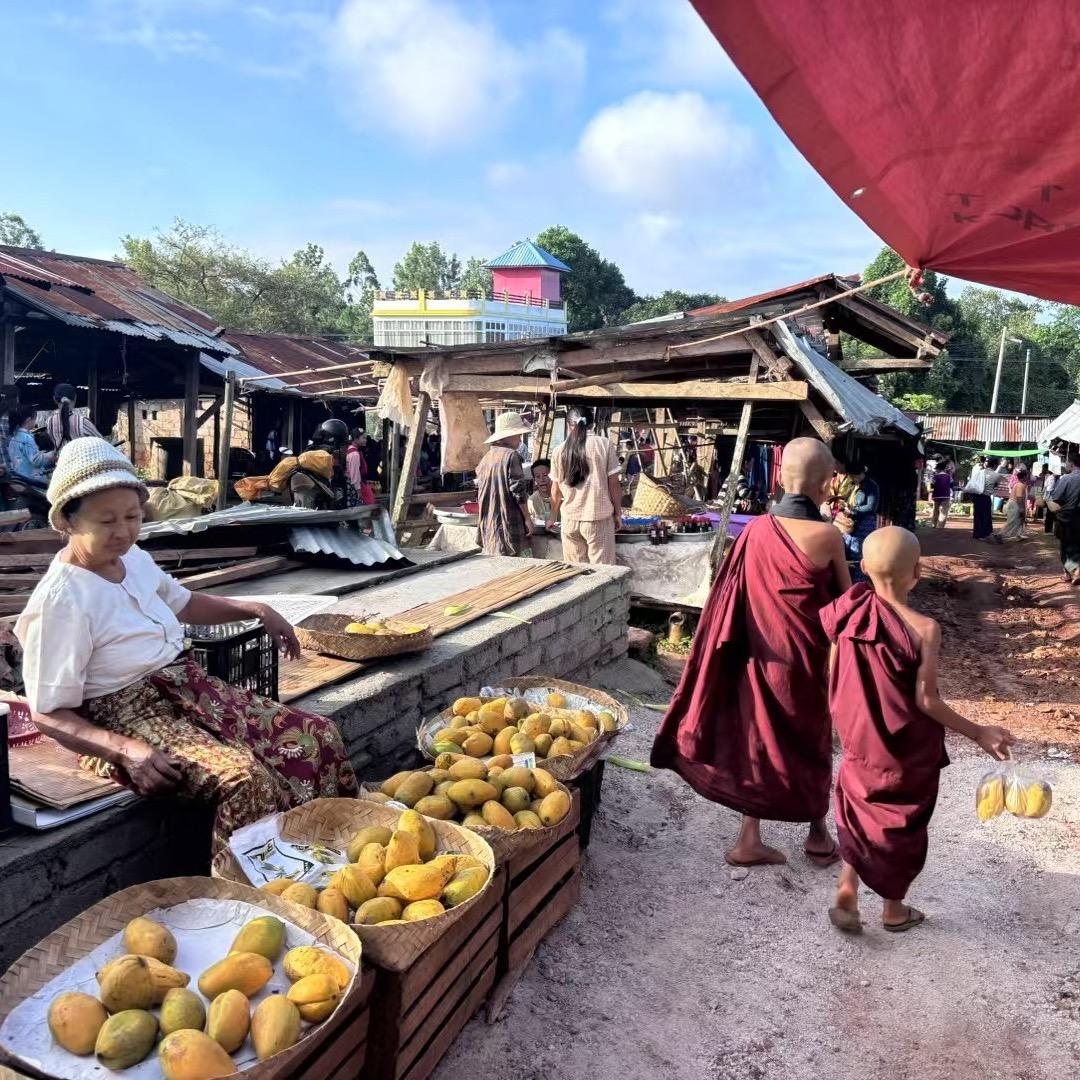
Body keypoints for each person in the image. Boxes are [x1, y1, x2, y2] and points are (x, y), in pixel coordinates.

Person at [14, 438, 358, 852]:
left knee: (316, 734)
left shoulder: (133, 558)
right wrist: (126, 752)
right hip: (125, 718)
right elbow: (50, 715)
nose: (123, 532)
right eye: (107, 522)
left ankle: (326, 849)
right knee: (246, 780)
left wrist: (257, 607)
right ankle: (256, 888)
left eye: (132, 517)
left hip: (189, 691)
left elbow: (185, 603)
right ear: (67, 521)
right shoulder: (61, 602)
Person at [651, 438, 851, 867]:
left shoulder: (756, 530)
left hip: (759, 658)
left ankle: (749, 836)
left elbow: (728, 598)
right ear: (825, 487)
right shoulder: (827, 536)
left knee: (759, 741)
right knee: (810, 742)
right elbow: (845, 603)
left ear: (779, 477)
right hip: (806, 664)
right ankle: (818, 835)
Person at [821, 528, 1014, 934]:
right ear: (917, 573)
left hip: (860, 736)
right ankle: (893, 909)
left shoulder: (845, 611)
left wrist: (844, 723)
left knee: (857, 811)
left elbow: (833, 673)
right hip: (907, 745)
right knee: (902, 822)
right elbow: (927, 700)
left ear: (865, 570)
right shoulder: (924, 629)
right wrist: (979, 731)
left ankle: (846, 890)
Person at [546, 408, 621, 566]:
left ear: (569, 426)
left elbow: (555, 490)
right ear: (592, 424)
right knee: (603, 573)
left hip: (570, 521)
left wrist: (553, 516)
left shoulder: (559, 451)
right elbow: (614, 484)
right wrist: (618, 514)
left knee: (576, 572)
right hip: (597, 519)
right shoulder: (604, 445)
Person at [475, 411, 533, 557]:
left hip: (489, 521)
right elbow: (518, 491)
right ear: (509, 436)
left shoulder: (487, 457)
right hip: (508, 520)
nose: (520, 439)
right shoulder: (511, 456)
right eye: (518, 435)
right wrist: (527, 518)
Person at [1046, 451, 1080, 585]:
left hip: (1067, 518)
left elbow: (1057, 498)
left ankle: (1069, 573)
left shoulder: (1066, 478)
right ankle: (1075, 571)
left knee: (1065, 546)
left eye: (1066, 462)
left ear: (1071, 464)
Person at [45, 383, 103, 452]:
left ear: (54, 399)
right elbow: (101, 442)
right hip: (80, 461)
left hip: (60, 461)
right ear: (75, 398)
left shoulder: (49, 422)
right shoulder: (82, 422)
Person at [8, 405, 56, 483]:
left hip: (20, 476)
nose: (35, 422)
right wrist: (50, 456)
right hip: (32, 478)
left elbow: (22, 455)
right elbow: (36, 461)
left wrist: (41, 453)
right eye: (35, 419)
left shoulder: (14, 437)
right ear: (28, 420)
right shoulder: (26, 438)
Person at [994, 466, 1028, 542]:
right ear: (1024, 477)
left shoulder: (1018, 484)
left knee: (1018, 520)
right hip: (1015, 504)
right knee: (1012, 521)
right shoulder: (1020, 485)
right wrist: (1021, 508)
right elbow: (1019, 497)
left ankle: (1017, 535)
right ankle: (1000, 535)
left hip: (1013, 503)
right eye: (1026, 476)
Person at [967, 456, 997, 540]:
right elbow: (994, 486)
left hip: (976, 496)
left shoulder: (980, 472)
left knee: (978, 515)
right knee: (986, 515)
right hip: (985, 496)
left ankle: (978, 534)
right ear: (995, 465)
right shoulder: (994, 475)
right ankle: (985, 533)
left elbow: (972, 483)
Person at [345, 429, 375, 506]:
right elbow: (354, 475)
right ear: (355, 439)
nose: (365, 440)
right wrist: (358, 491)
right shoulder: (354, 454)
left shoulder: (353, 451)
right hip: (355, 486)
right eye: (363, 438)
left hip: (358, 483)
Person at [528, 458, 553, 522]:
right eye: (538, 476)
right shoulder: (531, 501)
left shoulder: (563, 498)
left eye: (545, 475)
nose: (542, 480)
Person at [930, 460, 953, 528]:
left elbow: (932, 485)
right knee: (944, 511)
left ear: (938, 468)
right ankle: (941, 526)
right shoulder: (949, 477)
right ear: (944, 468)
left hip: (936, 495)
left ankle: (934, 524)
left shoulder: (935, 476)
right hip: (946, 496)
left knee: (935, 510)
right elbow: (951, 486)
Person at [1044, 466, 1059, 534]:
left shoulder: (1049, 477)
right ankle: (1049, 530)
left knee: (1050, 514)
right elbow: (1049, 488)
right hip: (1051, 498)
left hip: (1048, 498)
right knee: (1051, 514)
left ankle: (1049, 530)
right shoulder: (1052, 478)